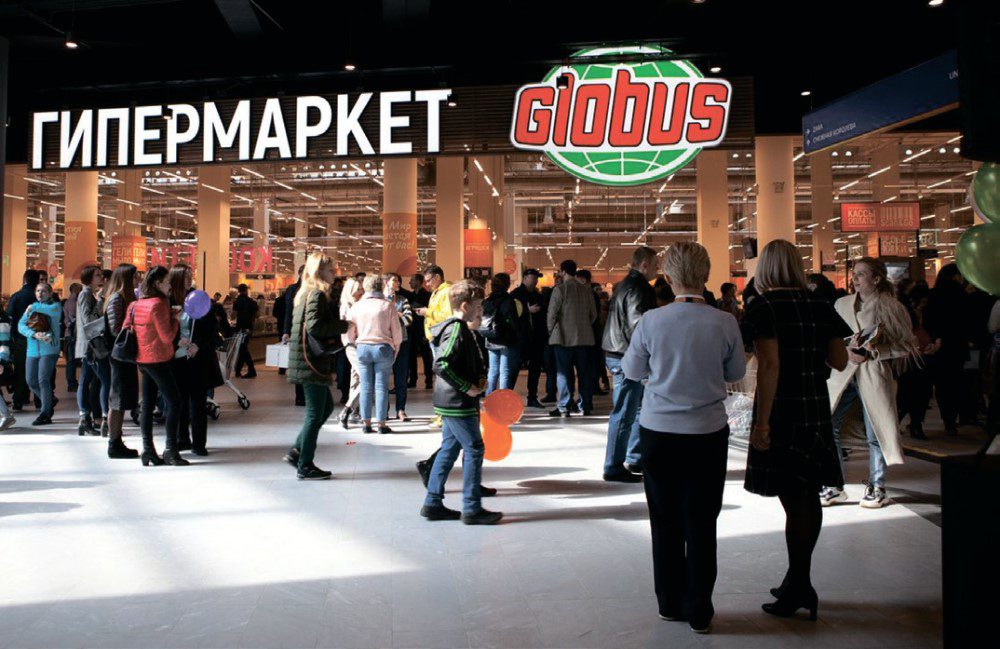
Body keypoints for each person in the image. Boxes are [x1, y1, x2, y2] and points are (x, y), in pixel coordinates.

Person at [623, 241, 745, 634]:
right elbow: (735, 373)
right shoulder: (724, 322)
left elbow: (631, 371)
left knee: (665, 520)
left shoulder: (651, 321)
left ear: (668, 277)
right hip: (707, 431)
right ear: (706, 275)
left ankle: (669, 602)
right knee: (702, 520)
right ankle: (699, 608)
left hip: (659, 430)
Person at [741, 239, 849, 622]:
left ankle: (799, 585)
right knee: (807, 494)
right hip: (814, 408)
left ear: (765, 268)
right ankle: (797, 579)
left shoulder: (763, 307)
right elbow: (840, 360)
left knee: (793, 497)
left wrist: (762, 423)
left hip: (782, 409)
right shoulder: (821, 304)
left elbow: (770, 367)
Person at [822, 257, 918, 508]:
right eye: (854, 273)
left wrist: (876, 351)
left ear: (876, 279)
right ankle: (834, 484)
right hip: (844, 374)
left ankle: (877, 487)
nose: (854, 278)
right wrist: (846, 348)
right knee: (829, 426)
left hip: (873, 375)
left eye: (861, 274)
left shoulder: (891, 307)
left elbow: (907, 345)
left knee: (875, 431)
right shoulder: (841, 304)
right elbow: (831, 337)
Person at [420, 280, 502, 525]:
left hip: (452, 401)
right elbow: (442, 364)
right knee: (474, 448)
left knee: (449, 449)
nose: (481, 311)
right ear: (465, 306)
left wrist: (477, 380)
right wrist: (467, 387)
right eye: (478, 306)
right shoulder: (456, 329)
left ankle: (433, 503)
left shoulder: (460, 328)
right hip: (457, 402)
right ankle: (471, 508)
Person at [284, 253, 348, 480]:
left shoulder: (304, 293)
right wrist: (343, 326)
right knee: (314, 413)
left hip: (307, 360)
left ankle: (297, 451)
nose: (335, 274)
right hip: (311, 362)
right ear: (319, 272)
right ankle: (305, 464)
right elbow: (315, 327)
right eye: (331, 270)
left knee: (326, 407)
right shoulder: (316, 294)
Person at [602, 246, 658, 483]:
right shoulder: (638, 288)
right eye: (655, 265)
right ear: (644, 265)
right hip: (625, 355)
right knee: (625, 412)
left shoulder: (626, 284)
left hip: (618, 351)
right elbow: (638, 326)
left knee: (635, 408)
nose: (658, 269)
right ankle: (613, 466)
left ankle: (634, 457)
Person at [127, 266, 186, 466]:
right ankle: (171, 449)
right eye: (167, 282)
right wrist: (175, 319)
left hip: (142, 360)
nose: (170, 286)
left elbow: (127, 327)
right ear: (158, 283)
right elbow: (167, 337)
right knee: (175, 402)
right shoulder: (159, 304)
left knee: (147, 404)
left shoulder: (136, 304)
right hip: (158, 359)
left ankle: (148, 450)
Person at [169, 264, 224, 456]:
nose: (189, 279)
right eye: (185, 276)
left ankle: (199, 443)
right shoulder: (168, 300)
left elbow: (211, 328)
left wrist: (198, 344)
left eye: (190, 276)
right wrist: (176, 339)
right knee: (179, 402)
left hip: (198, 359)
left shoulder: (199, 298)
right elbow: (162, 328)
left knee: (198, 402)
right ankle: (182, 439)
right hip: (176, 359)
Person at [347, 275, 402, 434]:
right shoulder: (388, 305)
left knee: (365, 386)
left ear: (366, 287)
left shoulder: (357, 306)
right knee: (381, 387)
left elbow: (349, 331)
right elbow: (396, 332)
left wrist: (353, 343)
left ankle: (366, 424)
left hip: (363, 348)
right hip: (383, 348)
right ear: (381, 286)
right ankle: (381, 425)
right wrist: (396, 348)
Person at [547, 259, 597, 417]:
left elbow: (552, 314)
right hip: (584, 338)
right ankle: (585, 405)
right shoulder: (587, 290)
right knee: (584, 374)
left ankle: (564, 406)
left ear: (563, 271)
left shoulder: (560, 289)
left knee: (564, 374)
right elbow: (593, 315)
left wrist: (551, 331)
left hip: (563, 338)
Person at [103, 264, 140, 459]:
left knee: (121, 399)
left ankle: (116, 441)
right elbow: (116, 329)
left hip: (124, 356)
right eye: (135, 277)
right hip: (119, 356)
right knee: (117, 400)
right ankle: (114, 443)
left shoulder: (124, 298)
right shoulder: (117, 298)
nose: (137, 280)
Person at [17, 281, 63, 426]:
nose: (40, 294)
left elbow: (47, 311)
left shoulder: (55, 307)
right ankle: (49, 400)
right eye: (38, 291)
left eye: (43, 291)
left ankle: (45, 413)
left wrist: (33, 307)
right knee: (31, 381)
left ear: (50, 293)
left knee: (43, 380)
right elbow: (20, 325)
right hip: (32, 350)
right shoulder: (31, 308)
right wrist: (33, 334)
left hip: (49, 349)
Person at [76, 265, 111, 437]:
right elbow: (88, 320)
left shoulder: (88, 294)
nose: (101, 277)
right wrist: (100, 301)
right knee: (105, 381)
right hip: (92, 346)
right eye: (97, 275)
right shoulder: (86, 295)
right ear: (89, 278)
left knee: (87, 381)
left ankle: (85, 419)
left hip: (90, 346)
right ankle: (104, 419)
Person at [418, 265, 452, 430]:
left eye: (429, 280)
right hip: (435, 338)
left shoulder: (446, 291)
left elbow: (447, 316)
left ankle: (444, 415)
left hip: (440, 338)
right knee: (440, 377)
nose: (427, 284)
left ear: (438, 277)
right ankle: (441, 413)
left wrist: (428, 312)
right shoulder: (437, 292)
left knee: (443, 378)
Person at [480, 272, 521, 394]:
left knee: (492, 371)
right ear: (507, 285)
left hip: (490, 338)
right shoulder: (508, 300)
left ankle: (489, 399)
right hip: (506, 340)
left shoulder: (487, 301)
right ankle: (503, 400)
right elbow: (514, 322)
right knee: (505, 372)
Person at [5, 269, 40, 411]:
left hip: (20, 339)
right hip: (37, 339)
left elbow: (9, 317)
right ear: (37, 281)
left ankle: (19, 399)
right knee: (37, 370)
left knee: (20, 370)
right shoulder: (39, 297)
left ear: (24, 279)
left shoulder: (16, 296)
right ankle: (39, 400)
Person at [511, 269, 547, 408]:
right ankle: (507, 397)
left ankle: (532, 397)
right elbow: (511, 314)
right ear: (525, 278)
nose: (536, 280)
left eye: (537, 278)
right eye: (533, 277)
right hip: (521, 338)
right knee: (514, 368)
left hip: (536, 337)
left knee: (535, 369)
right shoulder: (516, 294)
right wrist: (528, 311)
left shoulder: (538, 295)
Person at [384, 273, 413, 421]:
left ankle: (401, 409)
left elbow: (409, 320)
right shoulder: (380, 300)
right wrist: (398, 314)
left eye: (398, 280)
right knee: (383, 378)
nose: (398, 283)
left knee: (401, 377)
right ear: (386, 282)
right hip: (385, 342)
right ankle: (384, 410)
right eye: (394, 280)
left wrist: (395, 315)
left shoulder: (403, 300)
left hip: (402, 341)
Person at [336, 277, 365, 428]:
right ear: (350, 291)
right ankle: (346, 410)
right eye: (358, 289)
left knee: (356, 379)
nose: (361, 291)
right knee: (366, 377)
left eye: (361, 288)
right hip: (351, 345)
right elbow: (348, 327)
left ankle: (354, 411)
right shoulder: (347, 306)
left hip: (357, 344)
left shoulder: (357, 304)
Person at [280, 266, 306, 406]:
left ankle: (305, 396)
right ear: (300, 274)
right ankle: (300, 397)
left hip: (309, 332)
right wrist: (286, 331)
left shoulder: (315, 288)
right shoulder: (293, 289)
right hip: (297, 331)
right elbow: (288, 311)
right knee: (300, 365)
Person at [406, 273, 434, 389]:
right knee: (411, 356)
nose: (410, 282)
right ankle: (413, 379)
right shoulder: (410, 296)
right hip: (412, 330)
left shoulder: (427, 296)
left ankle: (429, 380)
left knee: (426, 356)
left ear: (418, 282)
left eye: (412, 280)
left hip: (423, 330)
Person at [233, 283, 258, 378]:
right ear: (246, 290)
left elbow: (233, 315)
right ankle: (238, 371)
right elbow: (258, 315)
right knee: (242, 348)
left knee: (242, 348)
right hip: (249, 327)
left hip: (240, 327)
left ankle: (252, 370)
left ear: (239, 291)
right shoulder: (252, 302)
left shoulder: (237, 301)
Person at [63, 282, 82, 391]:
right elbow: (75, 319)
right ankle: (72, 383)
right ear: (75, 290)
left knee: (71, 361)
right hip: (73, 335)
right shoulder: (73, 303)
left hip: (69, 334)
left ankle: (72, 382)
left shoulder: (67, 302)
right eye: (80, 289)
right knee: (71, 361)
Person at [0, 308, 15, 430]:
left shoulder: (2, 320)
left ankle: (6, 415)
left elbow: (5, 343)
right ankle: (6, 415)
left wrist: (1, 361)